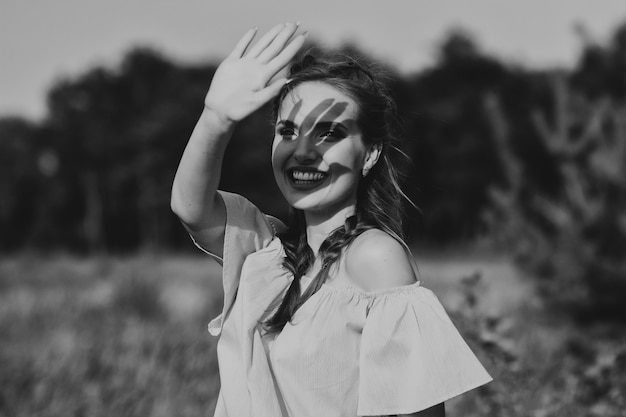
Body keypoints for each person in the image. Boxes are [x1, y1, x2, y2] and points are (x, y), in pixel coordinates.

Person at [171, 22, 491, 417]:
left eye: (329, 134)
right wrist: (215, 118)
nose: (303, 150)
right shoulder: (268, 251)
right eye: (288, 130)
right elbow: (191, 208)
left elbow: (419, 410)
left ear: (370, 154)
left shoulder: (375, 257)